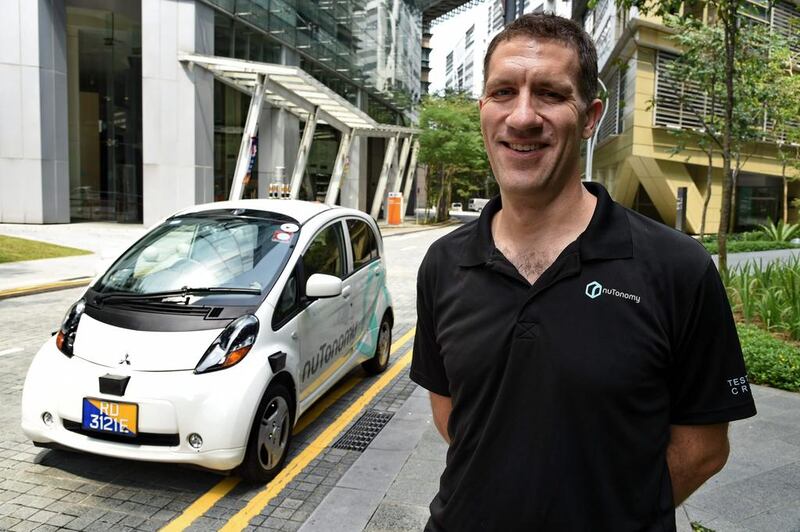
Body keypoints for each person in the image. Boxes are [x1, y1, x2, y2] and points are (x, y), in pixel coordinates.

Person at [410, 13, 756, 532]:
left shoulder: (677, 267)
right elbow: (456, 418)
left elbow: (703, 447)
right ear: (482, 107)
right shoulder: (443, 263)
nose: (522, 117)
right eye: (503, 92)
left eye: (549, 94)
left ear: (590, 116)